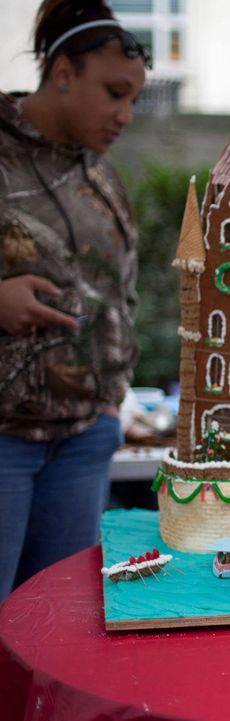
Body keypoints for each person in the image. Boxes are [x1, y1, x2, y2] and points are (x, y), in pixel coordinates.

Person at [0, 0, 147, 602]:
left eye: (134, 99)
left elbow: (123, 294)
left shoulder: (100, 175)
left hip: (85, 440)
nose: (126, 115)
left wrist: (110, 407)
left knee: (53, 626)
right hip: (5, 439)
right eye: (114, 93)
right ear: (63, 72)